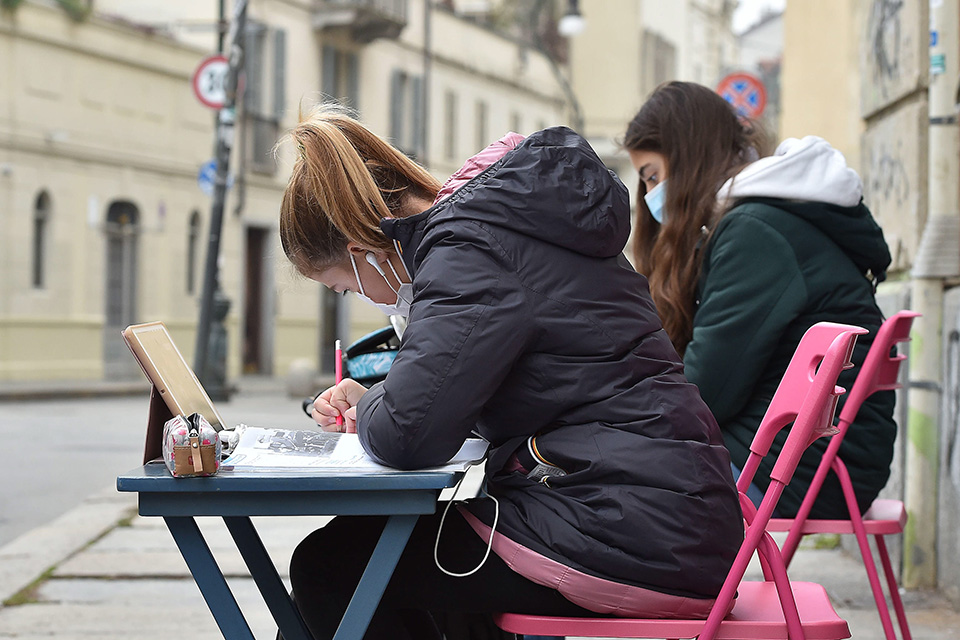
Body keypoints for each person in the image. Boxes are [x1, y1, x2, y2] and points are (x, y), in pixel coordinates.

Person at [277, 104, 743, 640]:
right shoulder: (499, 224)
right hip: (659, 512)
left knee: (330, 567)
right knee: (381, 551)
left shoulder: (467, 252)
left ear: (364, 254)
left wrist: (373, 404)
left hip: (634, 530)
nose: (363, 298)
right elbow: (443, 395)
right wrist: (379, 397)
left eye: (344, 287)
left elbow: (408, 434)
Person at [623, 81, 896, 519]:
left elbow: (706, 393)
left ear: (689, 157)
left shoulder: (753, 233)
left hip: (801, 469)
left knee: (603, 484)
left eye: (653, 176)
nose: (652, 194)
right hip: (820, 457)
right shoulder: (765, 218)